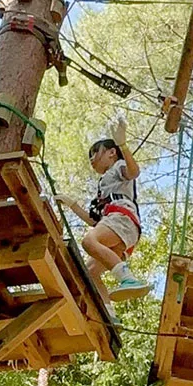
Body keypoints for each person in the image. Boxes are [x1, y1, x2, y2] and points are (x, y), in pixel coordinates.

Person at [51, 118, 151, 302]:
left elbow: (134, 172)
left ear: (112, 152)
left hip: (121, 217)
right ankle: (109, 313)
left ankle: (128, 279)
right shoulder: (104, 186)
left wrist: (123, 144)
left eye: (95, 152)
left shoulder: (118, 167)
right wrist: (72, 204)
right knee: (90, 272)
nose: (91, 159)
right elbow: (93, 221)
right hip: (118, 226)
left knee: (89, 241)